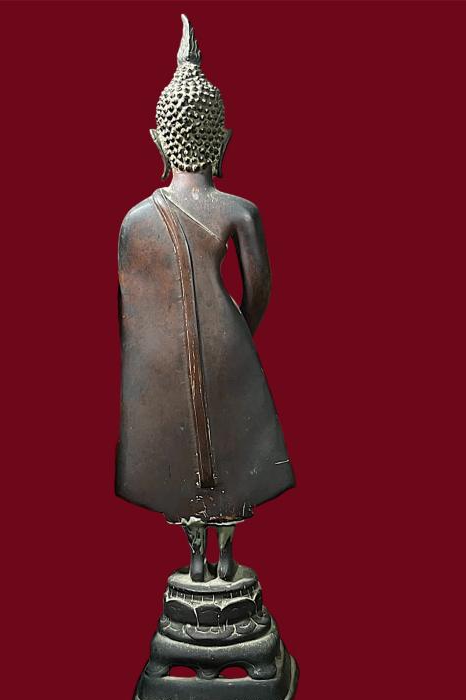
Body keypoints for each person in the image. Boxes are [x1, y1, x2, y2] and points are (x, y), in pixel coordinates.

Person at [116, 15, 294, 582]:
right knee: (233, 449)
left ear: (158, 140)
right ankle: (223, 555)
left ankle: (197, 557)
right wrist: (237, 333)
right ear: (223, 140)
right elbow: (259, 288)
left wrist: (154, 361)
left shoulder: (134, 222)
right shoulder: (241, 211)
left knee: (181, 449)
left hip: (163, 359)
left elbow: (132, 320)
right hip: (228, 345)